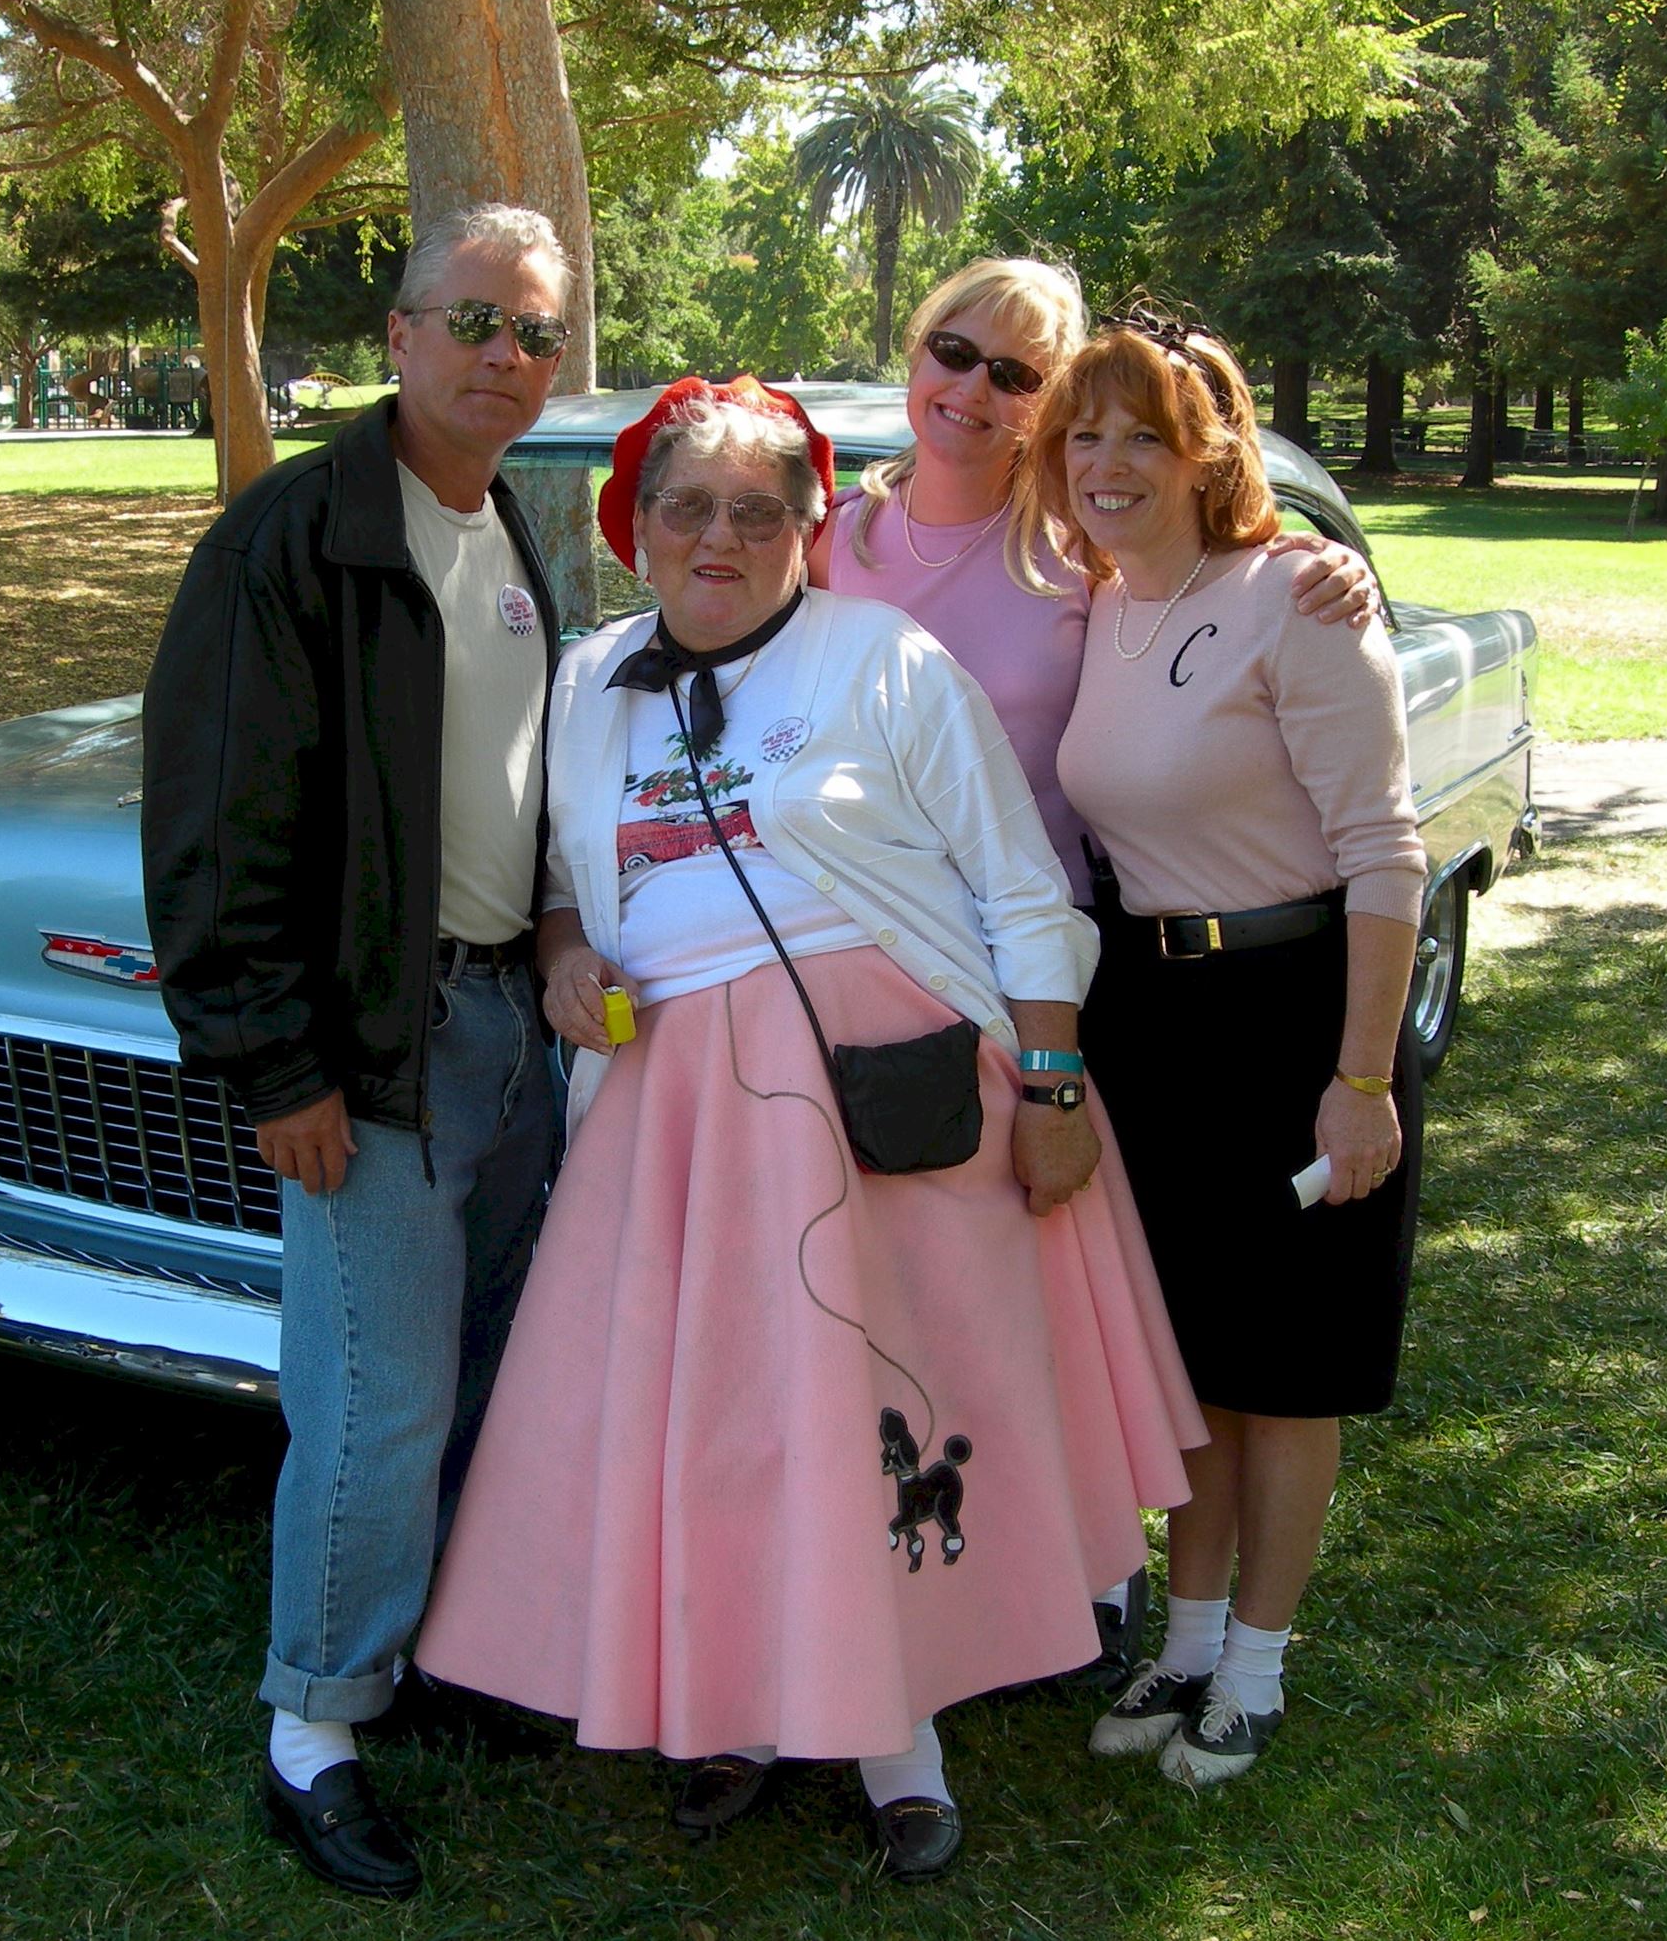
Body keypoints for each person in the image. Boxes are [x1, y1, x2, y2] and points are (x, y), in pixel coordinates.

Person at [413, 377, 1207, 1882]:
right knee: (725, 1417)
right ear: (635, 526)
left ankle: (895, 1725)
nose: (721, 537)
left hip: (896, 1098)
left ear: (807, 524)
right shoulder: (585, 681)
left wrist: (1047, 1089)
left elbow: (1021, 887)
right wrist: (566, 953)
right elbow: (568, 875)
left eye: (757, 510)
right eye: (688, 507)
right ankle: (734, 1709)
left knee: (878, 1411)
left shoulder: (886, 661)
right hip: (679, 1121)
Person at [808, 256, 1380, 1682]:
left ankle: (1093, 1582)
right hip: (863, 970)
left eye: (1019, 376)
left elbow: (1231, 601)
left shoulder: (1082, 559)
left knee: (1052, 1297)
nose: (977, 390)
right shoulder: (827, 536)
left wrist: (1321, 562)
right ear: (914, 347)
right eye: (957, 350)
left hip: (1048, 979)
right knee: (893, 1294)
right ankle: (883, 1569)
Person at [140, 203, 579, 1901]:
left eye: (533, 333)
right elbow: (214, 825)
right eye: (473, 319)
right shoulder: (291, 542)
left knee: (476, 1366)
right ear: (396, 335)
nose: (503, 356)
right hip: (365, 1050)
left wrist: (549, 938)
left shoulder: (509, 532)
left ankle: (436, 1650)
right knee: (375, 1402)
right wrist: (277, 1062)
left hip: (495, 1033)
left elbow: (518, 792)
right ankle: (312, 1726)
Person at [1009, 313, 1426, 1788]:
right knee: (1190, 1359)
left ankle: (1254, 1665)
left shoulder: (1297, 600)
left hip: (1298, 1013)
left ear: (1208, 455)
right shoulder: (1100, 600)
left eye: (1142, 435)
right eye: (1084, 436)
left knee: (1288, 1366)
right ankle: (1182, 1641)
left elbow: (1387, 851)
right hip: (1152, 1021)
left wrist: (1363, 1077)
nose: (1108, 463)